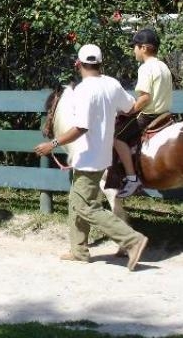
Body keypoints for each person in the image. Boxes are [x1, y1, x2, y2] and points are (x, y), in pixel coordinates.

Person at [34, 44, 148, 271]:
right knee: (76, 202)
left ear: (78, 64)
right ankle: (79, 250)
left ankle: (132, 240)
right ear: (100, 63)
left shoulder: (84, 90)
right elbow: (129, 107)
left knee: (87, 207)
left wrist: (52, 144)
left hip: (87, 156)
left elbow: (80, 128)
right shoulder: (111, 84)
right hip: (102, 154)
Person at [114, 28, 173, 198]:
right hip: (165, 114)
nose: (134, 50)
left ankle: (132, 179)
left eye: (135, 46)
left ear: (144, 48)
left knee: (117, 137)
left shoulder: (146, 68)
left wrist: (129, 110)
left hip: (148, 116)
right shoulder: (163, 66)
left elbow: (145, 98)